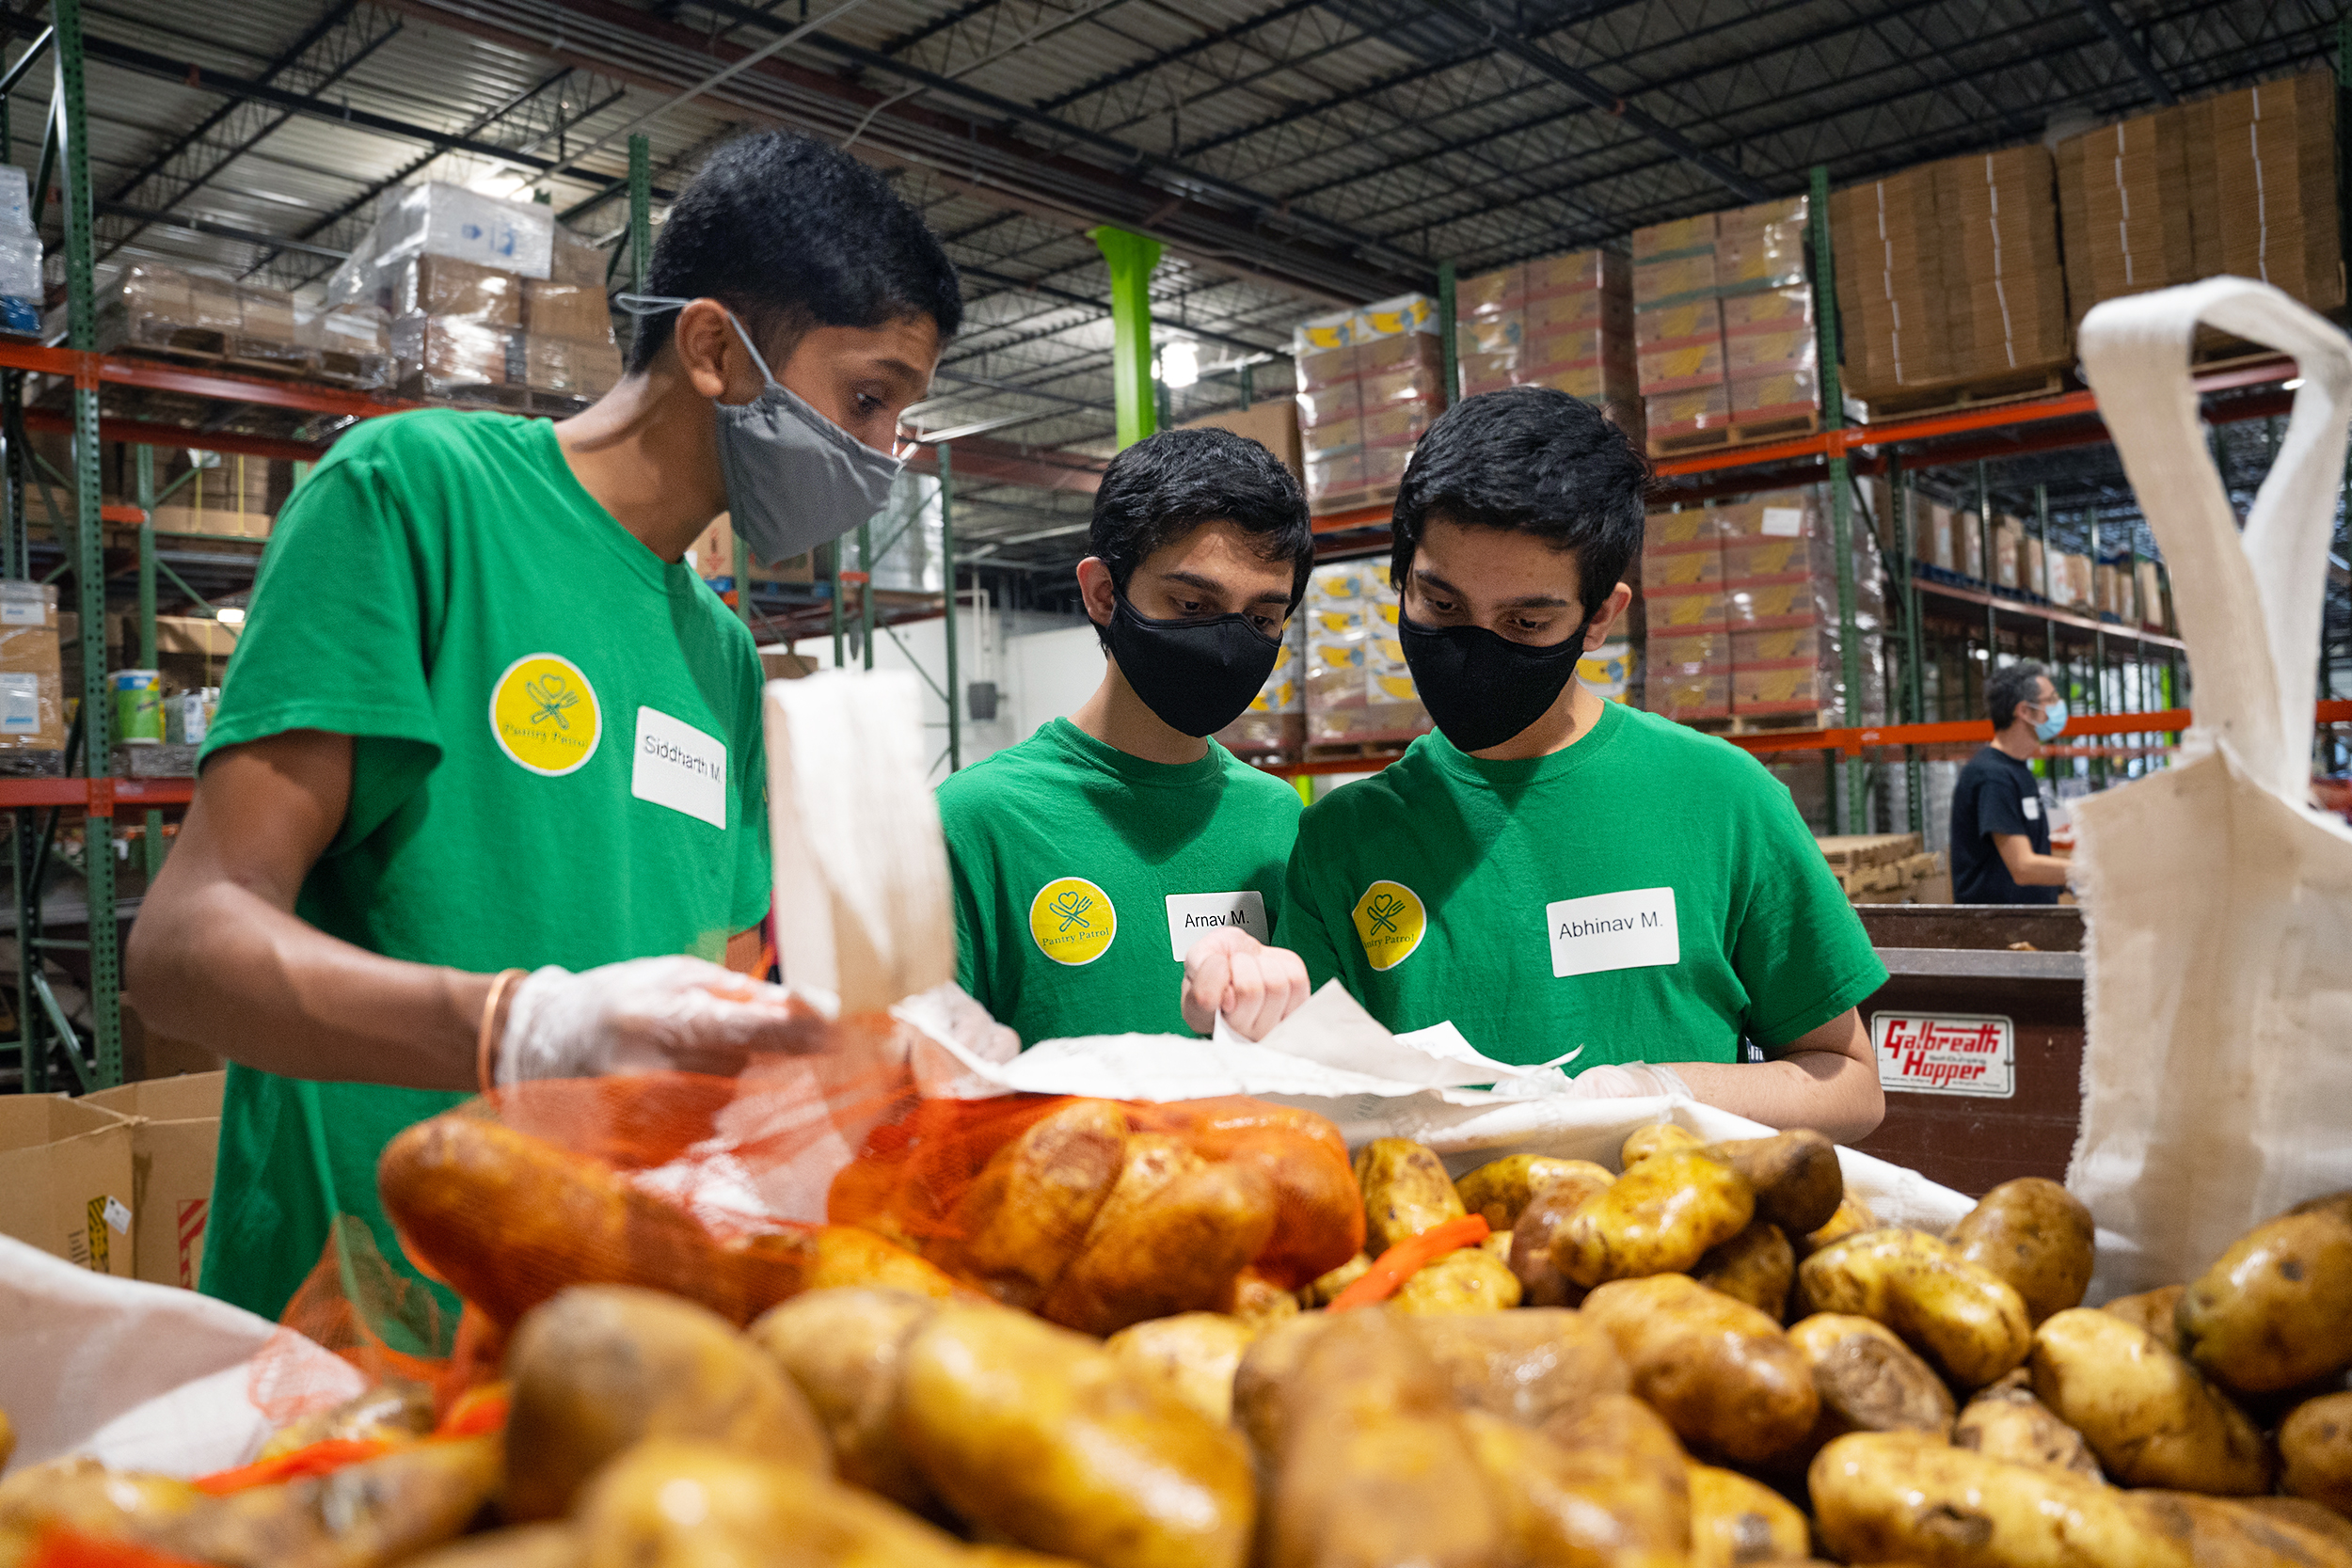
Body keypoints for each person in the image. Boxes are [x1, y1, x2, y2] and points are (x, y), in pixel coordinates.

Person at [122, 131, 963, 1323]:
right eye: (867, 398)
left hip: (597, 1329)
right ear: (716, 350)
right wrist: (520, 1029)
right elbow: (184, 950)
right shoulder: (418, 496)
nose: (880, 459)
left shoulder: (717, 650)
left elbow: (714, 978)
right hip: (354, 1327)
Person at [1205, 388, 1887, 1141]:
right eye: (1442, 605)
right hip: (1444, 1250)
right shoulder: (1345, 838)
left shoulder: (1722, 798)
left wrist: (1663, 1089)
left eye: (1526, 622)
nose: (1476, 645)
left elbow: (1849, 1083)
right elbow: (1310, 1101)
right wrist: (1248, 1001)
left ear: (1599, 617)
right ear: (1401, 579)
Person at [936, 426, 1315, 1045]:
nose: (1226, 647)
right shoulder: (977, 822)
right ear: (1104, 594)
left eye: (1261, 618)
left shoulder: (1279, 819)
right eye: (1192, 605)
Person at [1950, 661, 2072, 903]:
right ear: (2025, 711)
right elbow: (2023, 867)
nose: (2059, 707)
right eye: (2051, 699)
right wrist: (2091, 871)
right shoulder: (1991, 776)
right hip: (1999, 931)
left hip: (2026, 924)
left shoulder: (2016, 770)